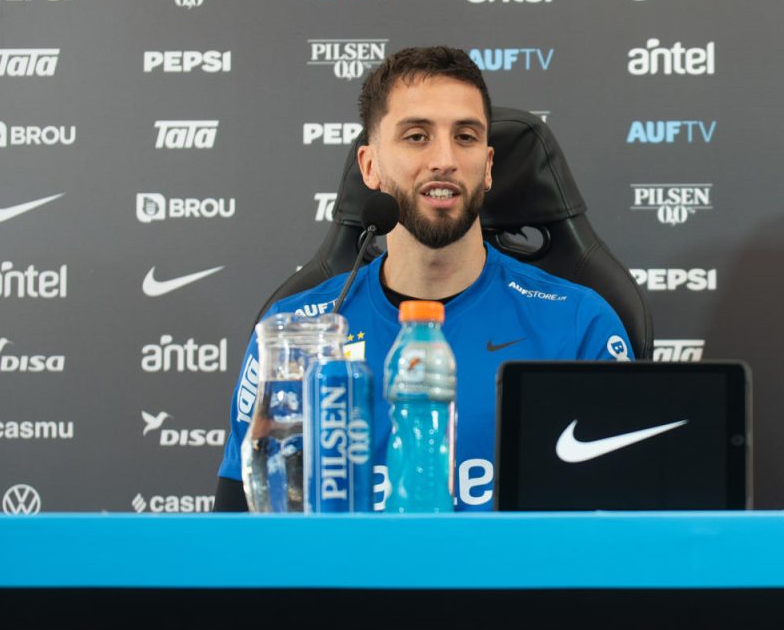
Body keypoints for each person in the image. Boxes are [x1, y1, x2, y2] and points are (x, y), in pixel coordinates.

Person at [215, 46, 630, 511]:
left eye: (466, 137)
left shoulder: (578, 325)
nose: (445, 159)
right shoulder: (294, 334)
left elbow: (619, 541)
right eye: (417, 136)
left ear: (489, 167)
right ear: (369, 166)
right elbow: (241, 531)